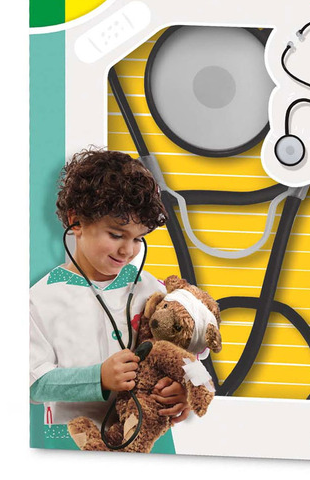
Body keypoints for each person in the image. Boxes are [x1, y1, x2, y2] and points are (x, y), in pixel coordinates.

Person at [30, 148, 190, 441]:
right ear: (76, 221)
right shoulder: (40, 301)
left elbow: (180, 355)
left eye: (138, 238)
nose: (127, 250)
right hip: (73, 446)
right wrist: (99, 378)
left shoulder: (151, 290)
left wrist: (180, 391)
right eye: (116, 235)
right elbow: (34, 383)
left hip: (148, 444)